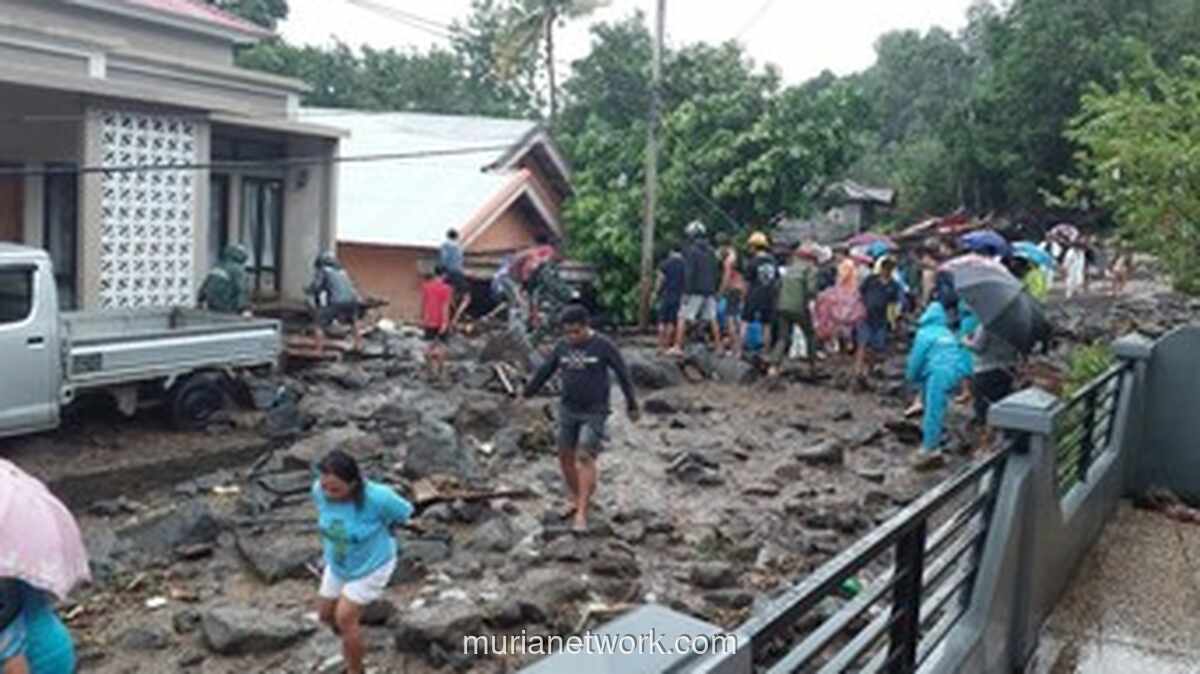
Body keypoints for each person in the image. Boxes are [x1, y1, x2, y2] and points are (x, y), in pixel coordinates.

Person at [522, 305, 639, 532]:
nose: (572, 337)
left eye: (576, 332)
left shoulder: (603, 346)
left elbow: (623, 374)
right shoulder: (563, 346)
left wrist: (632, 404)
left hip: (595, 410)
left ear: (587, 327)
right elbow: (546, 370)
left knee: (584, 455)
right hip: (568, 408)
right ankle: (576, 499)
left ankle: (583, 512)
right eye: (568, 332)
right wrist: (526, 393)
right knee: (565, 456)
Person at [313, 450, 414, 674]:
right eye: (325, 487)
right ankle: (353, 637)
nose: (328, 493)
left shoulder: (378, 497)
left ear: (353, 484)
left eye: (336, 489)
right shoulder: (318, 491)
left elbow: (405, 513)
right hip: (339, 561)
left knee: (344, 617)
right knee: (325, 615)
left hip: (372, 565)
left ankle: (356, 669)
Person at [906, 302, 972, 470]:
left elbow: (916, 359)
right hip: (952, 372)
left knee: (933, 408)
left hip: (937, 372)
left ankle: (930, 448)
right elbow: (959, 354)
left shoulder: (924, 334)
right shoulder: (948, 333)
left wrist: (911, 377)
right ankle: (935, 436)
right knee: (936, 405)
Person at [0, 579, 75, 674]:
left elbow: (13, 659)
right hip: (56, 642)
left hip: (36, 660)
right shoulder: (17, 570)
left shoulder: (5, 593)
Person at [966, 325, 1020, 449]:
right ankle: (1004, 441)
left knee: (983, 409)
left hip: (986, 371)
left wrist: (966, 341)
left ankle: (988, 445)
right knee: (1003, 405)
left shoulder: (986, 325)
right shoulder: (1016, 326)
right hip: (1007, 370)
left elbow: (978, 347)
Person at [673, 222, 721, 355]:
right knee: (712, 319)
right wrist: (715, 289)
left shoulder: (691, 251)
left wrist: (686, 292)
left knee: (682, 316)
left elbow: (690, 273)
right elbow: (716, 271)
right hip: (710, 290)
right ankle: (718, 347)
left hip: (695, 290)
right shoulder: (712, 251)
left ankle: (677, 346)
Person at [770, 244, 817, 377]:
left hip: (782, 306)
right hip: (799, 307)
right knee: (810, 335)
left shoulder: (789, 270)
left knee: (783, 337)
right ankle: (812, 366)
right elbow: (811, 290)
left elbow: (777, 286)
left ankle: (774, 366)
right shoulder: (810, 269)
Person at [854, 256, 901, 384]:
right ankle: (858, 371)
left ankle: (869, 370)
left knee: (876, 345)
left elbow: (893, 304)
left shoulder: (894, 286)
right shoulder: (871, 280)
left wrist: (893, 321)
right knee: (862, 343)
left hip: (881, 319)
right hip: (865, 316)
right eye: (884, 268)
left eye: (889, 269)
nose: (886, 271)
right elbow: (860, 293)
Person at [306, 252, 364, 353]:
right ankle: (358, 345)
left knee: (318, 324)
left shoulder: (324, 270)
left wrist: (308, 290)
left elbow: (316, 286)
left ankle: (318, 350)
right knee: (353, 321)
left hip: (337, 301)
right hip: (352, 300)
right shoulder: (342, 272)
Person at [742, 231, 779, 358]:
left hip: (754, 295)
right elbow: (777, 280)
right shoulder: (773, 261)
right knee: (766, 324)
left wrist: (744, 296)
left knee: (745, 321)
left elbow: (747, 282)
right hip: (769, 296)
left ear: (754, 246)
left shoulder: (752, 262)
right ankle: (766, 352)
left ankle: (739, 350)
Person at [420, 267, 454, 380]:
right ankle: (440, 372)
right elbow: (445, 306)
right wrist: (445, 322)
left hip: (428, 321)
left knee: (428, 346)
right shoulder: (447, 288)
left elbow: (423, 303)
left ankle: (430, 371)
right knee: (442, 347)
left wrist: (423, 318)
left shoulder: (426, 286)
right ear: (444, 275)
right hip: (440, 321)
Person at [197, 244, 251, 315]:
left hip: (210, 307)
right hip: (227, 308)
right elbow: (242, 290)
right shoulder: (238, 270)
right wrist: (244, 309)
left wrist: (201, 299)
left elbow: (205, 285)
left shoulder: (217, 266)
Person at [717, 239, 746, 357]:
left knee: (730, 320)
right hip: (741, 289)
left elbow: (726, 277)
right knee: (739, 321)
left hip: (732, 290)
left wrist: (721, 292)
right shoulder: (740, 259)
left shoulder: (729, 260)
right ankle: (738, 349)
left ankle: (735, 350)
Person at [655, 249, 686, 354]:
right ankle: (667, 345)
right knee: (671, 322)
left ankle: (660, 346)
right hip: (678, 296)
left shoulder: (665, 263)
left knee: (662, 321)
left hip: (666, 294)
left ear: (671, 252)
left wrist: (656, 292)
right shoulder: (684, 264)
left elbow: (660, 279)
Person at [438, 230, 471, 329]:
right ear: (456, 237)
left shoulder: (444, 246)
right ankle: (455, 320)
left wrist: (443, 272)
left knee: (447, 298)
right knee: (467, 297)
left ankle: (447, 319)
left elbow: (443, 261)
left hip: (448, 274)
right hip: (457, 273)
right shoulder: (458, 247)